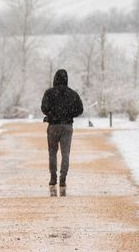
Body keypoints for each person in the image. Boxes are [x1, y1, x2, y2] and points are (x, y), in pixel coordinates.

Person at [40, 68, 84, 196]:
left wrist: (52, 114)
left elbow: (43, 108)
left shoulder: (49, 93)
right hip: (67, 126)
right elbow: (80, 110)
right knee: (66, 154)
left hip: (53, 126)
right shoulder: (72, 94)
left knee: (52, 153)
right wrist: (69, 114)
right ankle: (63, 178)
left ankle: (53, 178)